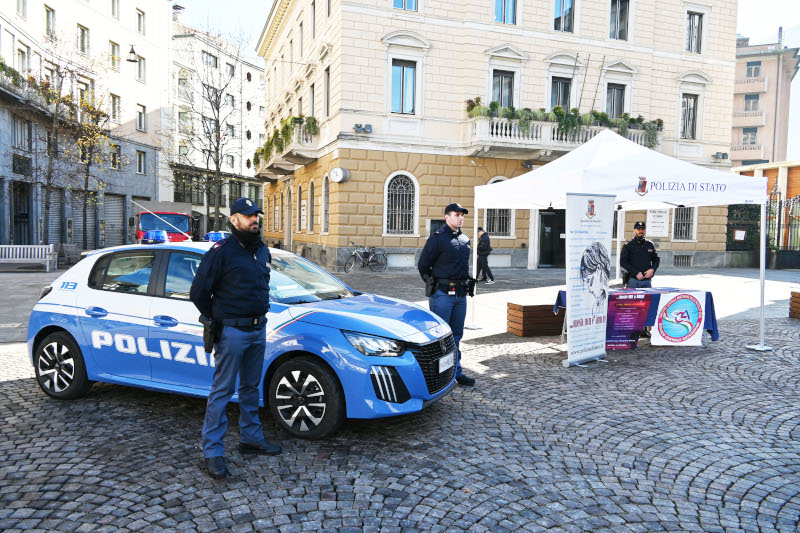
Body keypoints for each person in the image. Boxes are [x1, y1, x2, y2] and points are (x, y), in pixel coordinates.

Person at [190, 198, 281, 479]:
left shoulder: (262, 250)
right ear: (234, 220)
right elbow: (199, 293)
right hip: (232, 331)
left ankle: (251, 438)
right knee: (223, 391)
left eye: (256, 215)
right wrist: (216, 320)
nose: (255, 220)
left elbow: (262, 287)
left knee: (252, 387)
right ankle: (213, 452)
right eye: (248, 216)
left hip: (258, 329)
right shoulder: (221, 252)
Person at [418, 203, 476, 387]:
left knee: (457, 335)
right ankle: (437, 376)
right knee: (439, 337)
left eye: (462, 215)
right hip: (442, 295)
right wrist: (433, 285)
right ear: (447, 217)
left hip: (460, 295)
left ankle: (456, 372)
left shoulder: (465, 239)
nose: (460, 218)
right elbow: (423, 265)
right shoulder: (438, 238)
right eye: (457, 214)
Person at [620, 221, 660, 289]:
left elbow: (656, 259)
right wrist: (636, 273)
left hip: (647, 281)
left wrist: (652, 269)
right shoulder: (628, 245)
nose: (641, 231)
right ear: (634, 231)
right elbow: (623, 262)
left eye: (643, 229)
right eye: (638, 229)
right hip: (633, 281)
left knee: (648, 300)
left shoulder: (649, 244)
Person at [580, 241, 611, 315]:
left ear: (599, 269)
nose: (589, 288)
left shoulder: (604, 301)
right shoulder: (597, 303)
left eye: (589, 281)